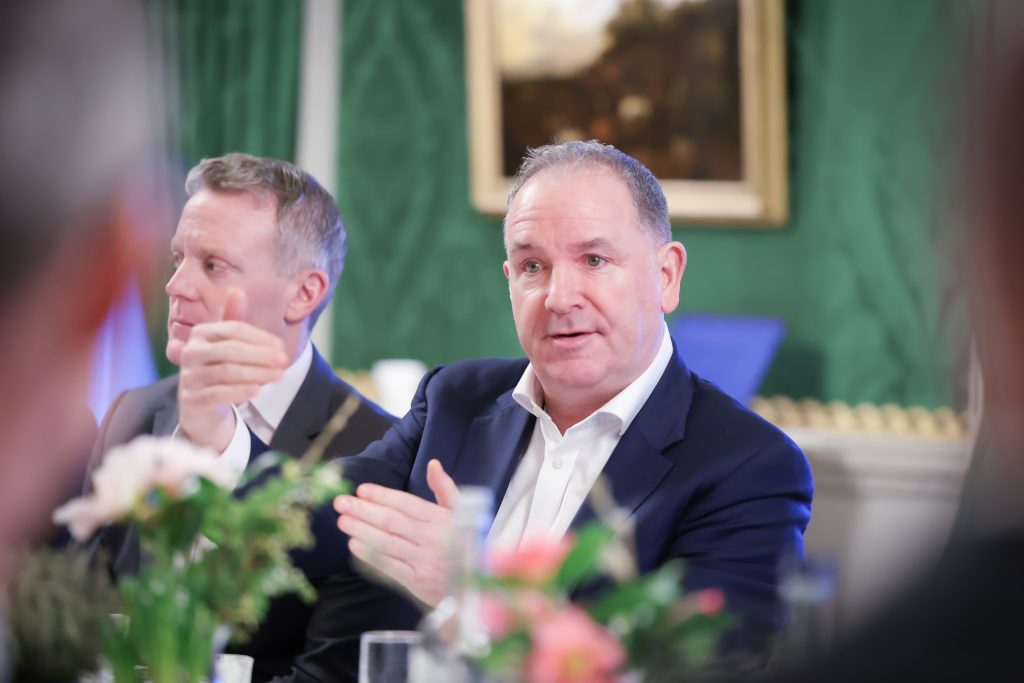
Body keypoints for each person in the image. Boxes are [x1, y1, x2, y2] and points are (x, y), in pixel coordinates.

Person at [284, 141, 814, 682]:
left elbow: (699, 673)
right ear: (509, 278)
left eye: (594, 260)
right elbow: (301, 523)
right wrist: (214, 439)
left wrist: (477, 594)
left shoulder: (749, 467)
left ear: (667, 275)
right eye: (533, 265)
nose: (560, 297)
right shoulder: (455, 399)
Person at [87, 153, 396, 682]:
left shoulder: (378, 452)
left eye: (212, 265)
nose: (175, 285)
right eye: (177, 257)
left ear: (304, 293)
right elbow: (74, 612)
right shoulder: (132, 413)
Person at [0, 0, 159, 679]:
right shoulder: (114, 427)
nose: (188, 291)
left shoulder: (363, 443)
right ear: (119, 264)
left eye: (215, 266)